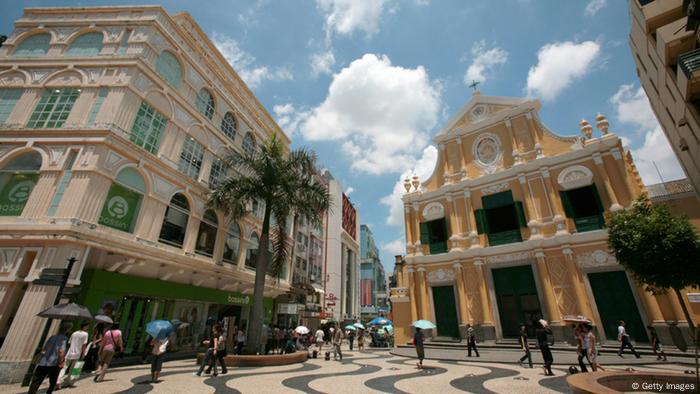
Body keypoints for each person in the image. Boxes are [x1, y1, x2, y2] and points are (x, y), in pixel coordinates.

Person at [28, 322, 70, 394]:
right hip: (54, 363)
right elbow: (61, 352)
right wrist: (61, 362)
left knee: (36, 381)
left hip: (44, 361)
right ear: (67, 329)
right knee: (52, 382)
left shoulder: (52, 337)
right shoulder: (64, 338)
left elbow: (44, 349)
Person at [62, 321, 89, 388]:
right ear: (85, 326)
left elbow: (69, 343)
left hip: (70, 352)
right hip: (77, 353)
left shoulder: (74, 333)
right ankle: (69, 381)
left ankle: (59, 380)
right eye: (87, 326)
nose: (87, 327)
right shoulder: (85, 334)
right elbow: (84, 345)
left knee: (64, 367)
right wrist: (83, 353)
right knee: (73, 368)